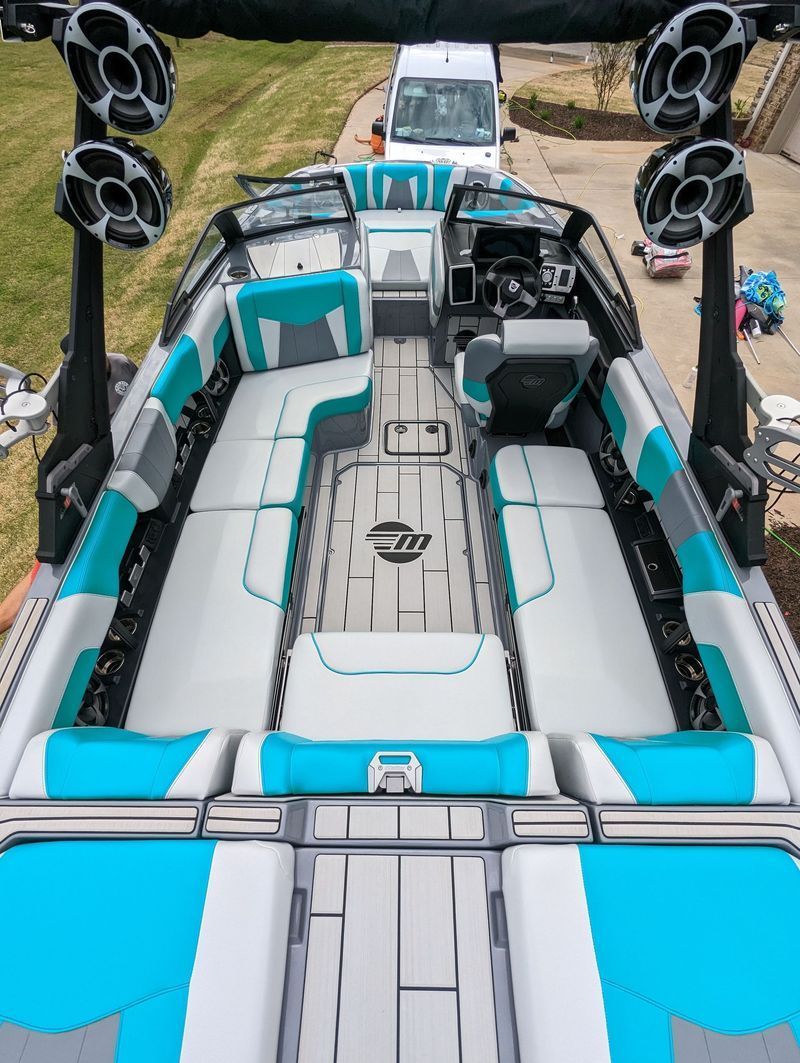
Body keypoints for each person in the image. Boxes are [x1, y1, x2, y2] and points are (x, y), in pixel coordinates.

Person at [0, 353, 136, 636]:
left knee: (48, 567)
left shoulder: (88, 484)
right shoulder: (122, 369)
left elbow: (27, 595)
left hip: (104, 500)